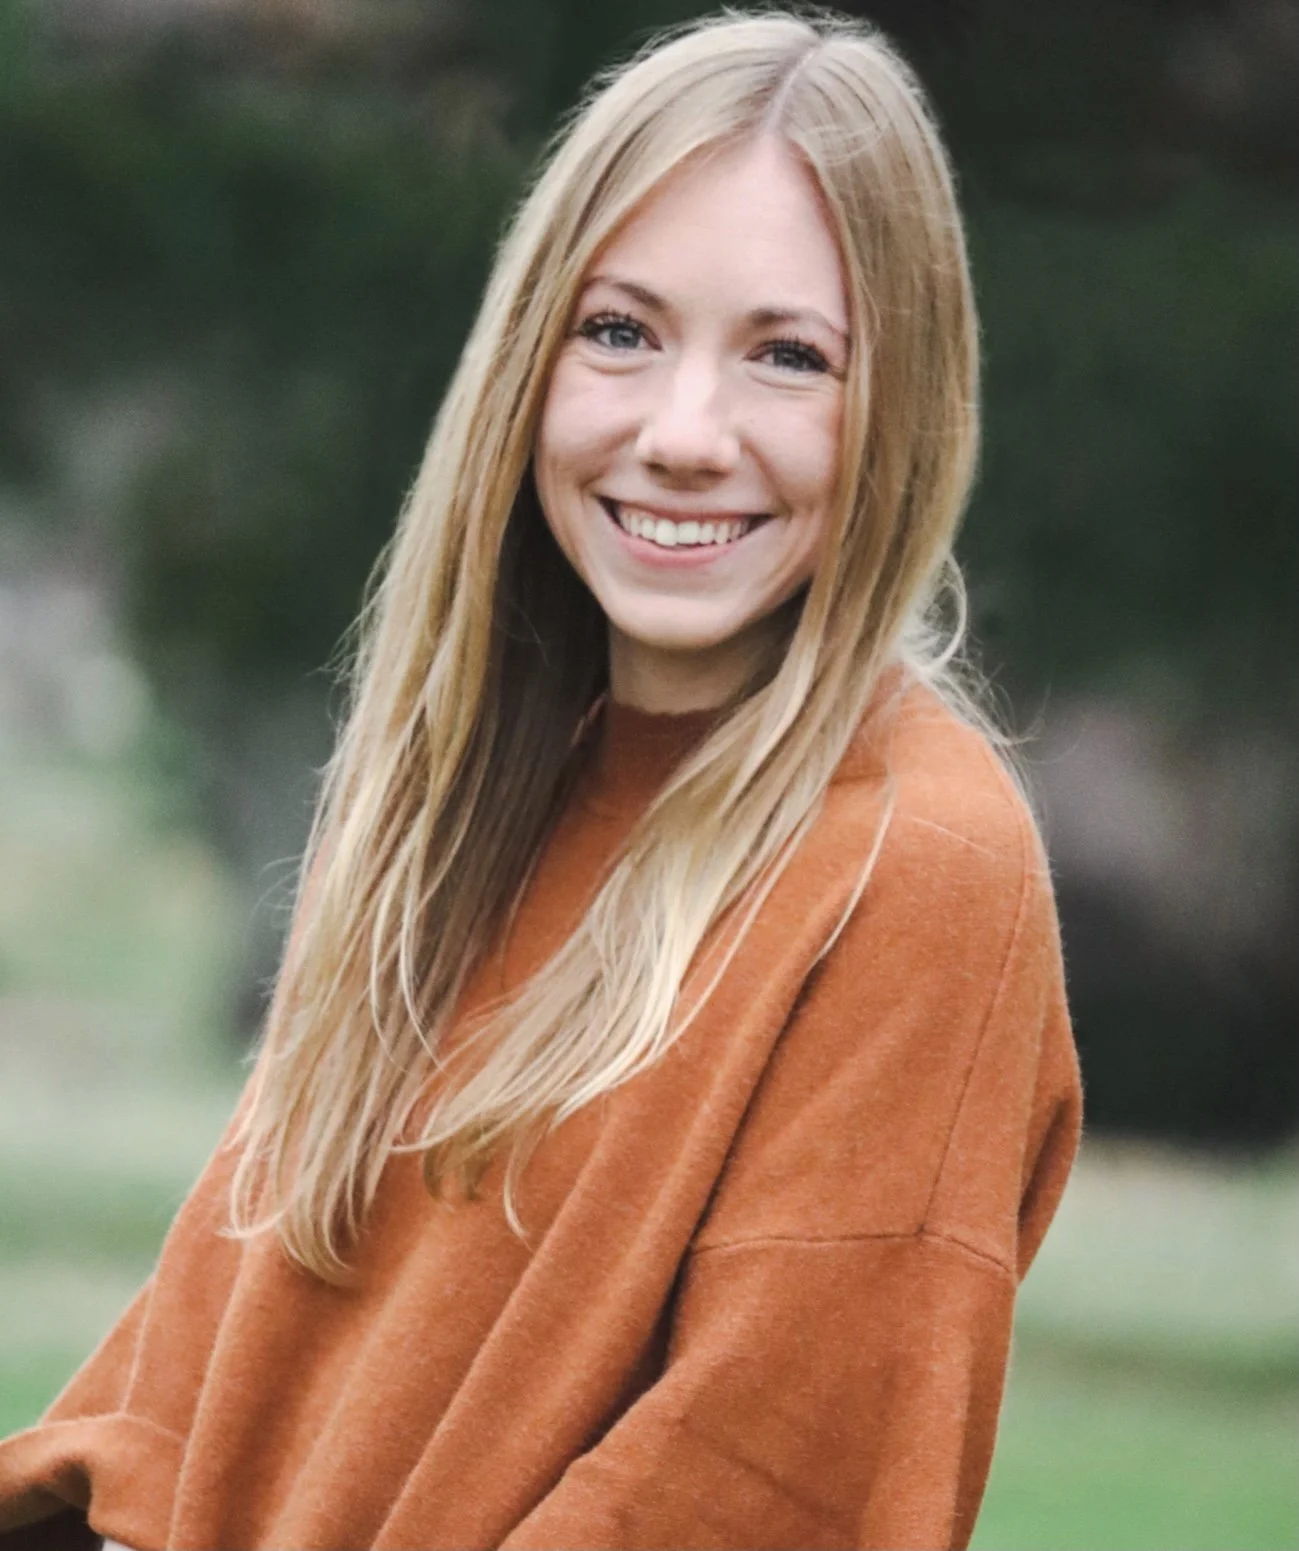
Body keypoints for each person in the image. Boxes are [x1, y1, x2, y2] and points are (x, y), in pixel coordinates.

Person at [0, 10, 1082, 1550]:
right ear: (526, 364)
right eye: (620, 331)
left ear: (899, 411)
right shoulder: (450, 802)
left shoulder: (918, 869)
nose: (682, 434)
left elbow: (756, 1487)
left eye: (787, 356)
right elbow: (197, 1385)